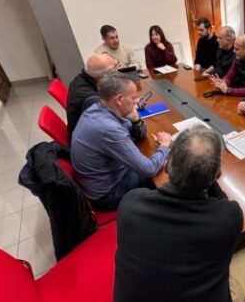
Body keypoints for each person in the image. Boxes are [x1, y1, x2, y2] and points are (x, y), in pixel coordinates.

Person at [114, 126, 245, 302]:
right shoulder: (228, 218)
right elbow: (223, 204)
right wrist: (207, 177)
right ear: (218, 175)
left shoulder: (130, 204)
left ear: (166, 166)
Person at [71, 72, 171, 210]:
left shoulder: (99, 108)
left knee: (158, 159)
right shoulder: (108, 129)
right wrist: (165, 145)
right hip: (108, 194)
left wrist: (136, 119)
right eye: (133, 98)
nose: (136, 102)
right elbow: (149, 169)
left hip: (103, 179)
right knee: (168, 177)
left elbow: (139, 135)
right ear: (119, 99)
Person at [66, 53, 122, 138]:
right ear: (105, 77)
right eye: (116, 67)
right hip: (92, 140)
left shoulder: (82, 77)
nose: (119, 69)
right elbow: (115, 126)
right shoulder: (92, 101)